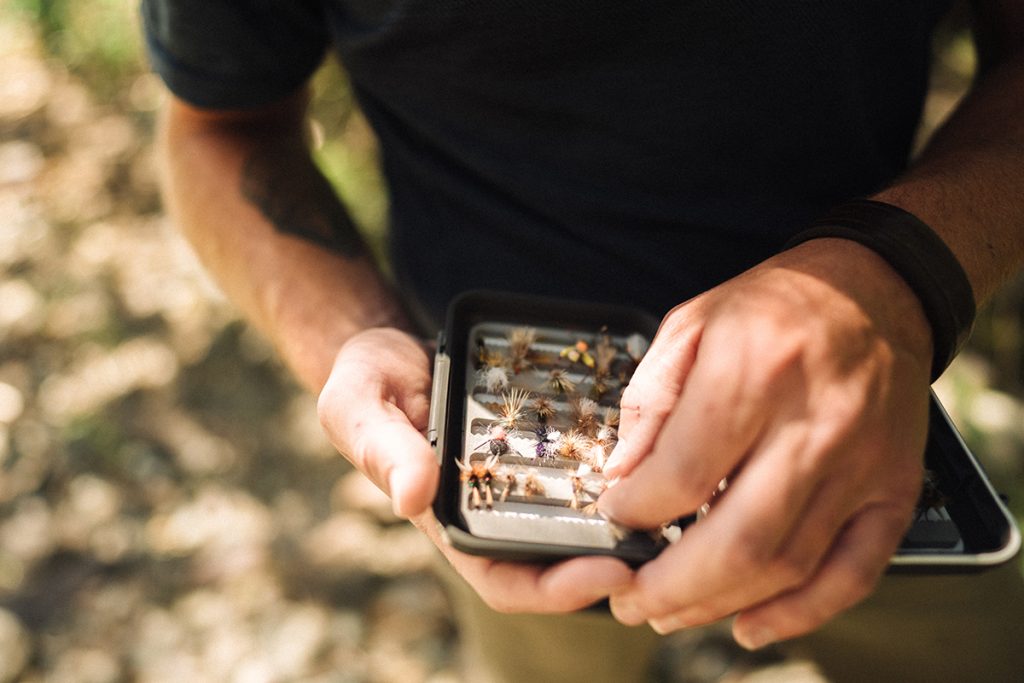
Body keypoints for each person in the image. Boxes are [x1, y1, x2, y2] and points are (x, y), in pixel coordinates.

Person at [142, 2, 1024, 681]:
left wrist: (896, 277)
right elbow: (217, 130)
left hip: (862, 426)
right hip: (498, 448)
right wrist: (359, 337)